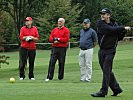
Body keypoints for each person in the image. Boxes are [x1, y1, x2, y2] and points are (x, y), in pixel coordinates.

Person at [91, 8, 131, 97]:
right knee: (107, 71)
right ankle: (116, 89)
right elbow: (110, 30)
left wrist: (123, 31)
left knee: (106, 70)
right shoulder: (100, 24)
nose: (102, 15)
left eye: (104, 14)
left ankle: (103, 92)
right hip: (102, 51)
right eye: (101, 14)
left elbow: (119, 37)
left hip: (111, 51)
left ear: (108, 15)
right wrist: (123, 28)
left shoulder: (115, 25)